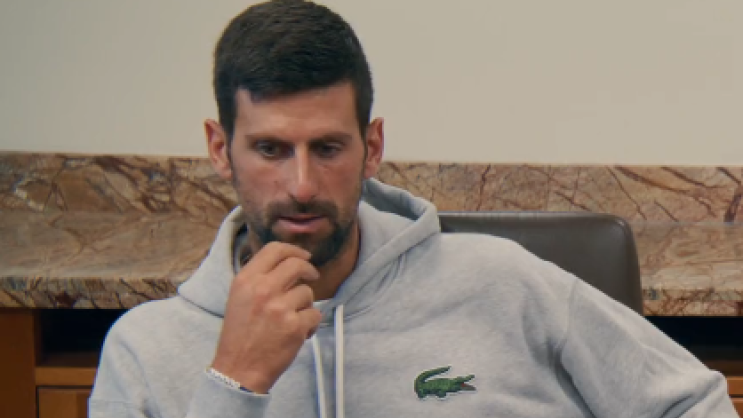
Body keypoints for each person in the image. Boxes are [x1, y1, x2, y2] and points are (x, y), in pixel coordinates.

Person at [89, 1, 737, 417]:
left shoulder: (503, 283)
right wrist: (234, 383)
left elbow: (693, 402)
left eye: (328, 148)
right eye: (270, 149)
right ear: (218, 149)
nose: (302, 184)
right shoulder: (145, 352)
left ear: (372, 148)